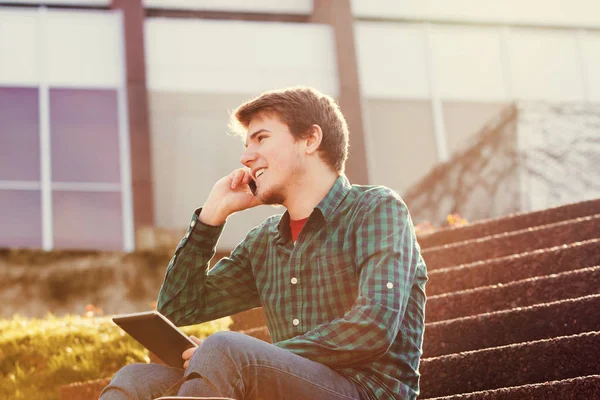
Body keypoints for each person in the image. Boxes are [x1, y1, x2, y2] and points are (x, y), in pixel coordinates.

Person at [100, 86, 427, 400]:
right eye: (246, 144)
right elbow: (179, 309)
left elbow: (374, 327)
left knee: (223, 349)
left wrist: (245, 356)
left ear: (310, 139)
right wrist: (211, 217)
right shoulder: (265, 241)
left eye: (261, 138)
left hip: (366, 391)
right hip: (282, 387)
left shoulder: (376, 209)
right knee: (135, 380)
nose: (246, 157)